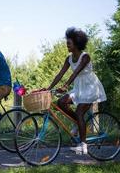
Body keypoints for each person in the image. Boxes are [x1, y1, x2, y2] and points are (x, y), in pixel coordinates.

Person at [45, 27, 107, 155]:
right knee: (61, 103)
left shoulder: (85, 57)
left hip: (90, 87)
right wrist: (49, 88)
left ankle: (83, 145)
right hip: (79, 87)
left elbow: (76, 71)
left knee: (79, 112)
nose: (66, 45)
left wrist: (66, 85)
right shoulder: (69, 58)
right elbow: (60, 74)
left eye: (69, 43)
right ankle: (78, 124)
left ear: (77, 44)